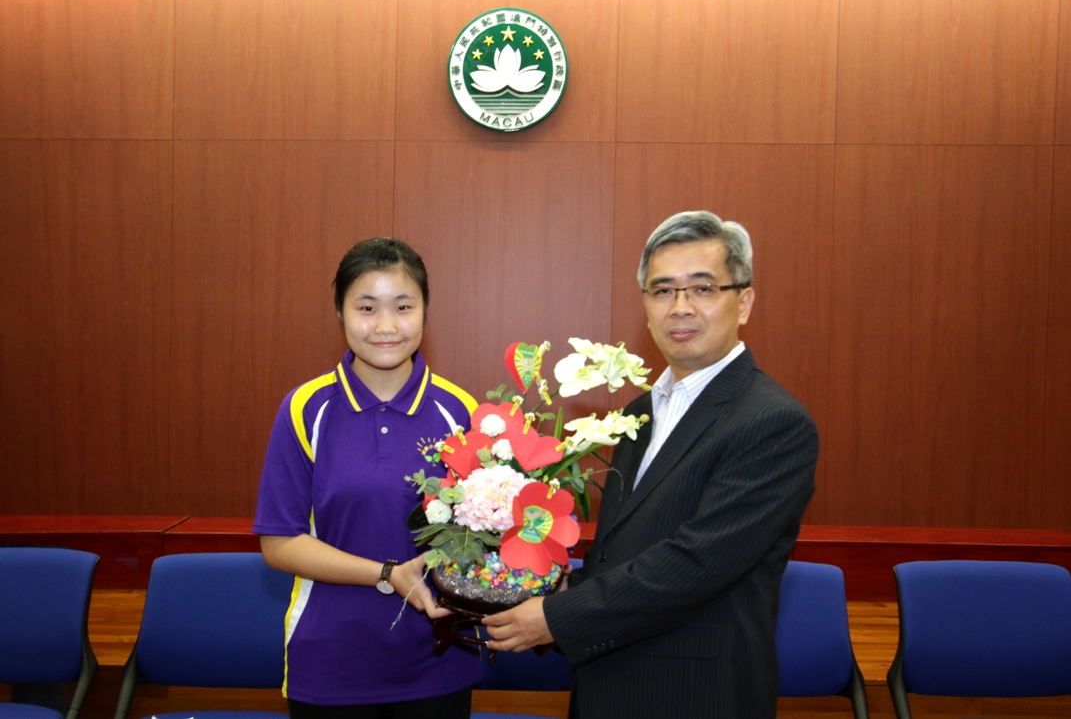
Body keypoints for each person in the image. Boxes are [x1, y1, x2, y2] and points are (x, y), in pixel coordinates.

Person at [483, 211, 818, 718]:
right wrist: (523, 585)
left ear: (744, 302)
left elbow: (696, 563)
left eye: (702, 289)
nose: (680, 308)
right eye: (662, 291)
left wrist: (557, 616)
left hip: (697, 693)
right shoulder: (639, 412)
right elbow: (624, 551)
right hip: (608, 680)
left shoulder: (772, 421)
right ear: (645, 307)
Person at [254, 238, 481, 719]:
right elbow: (279, 544)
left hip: (438, 659)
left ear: (425, 310)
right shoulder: (305, 409)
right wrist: (387, 575)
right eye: (366, 307)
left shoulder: (461, 411)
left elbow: (481, 538)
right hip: (330, 663)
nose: (385, 326)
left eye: (403, 306)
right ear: (339, 313)